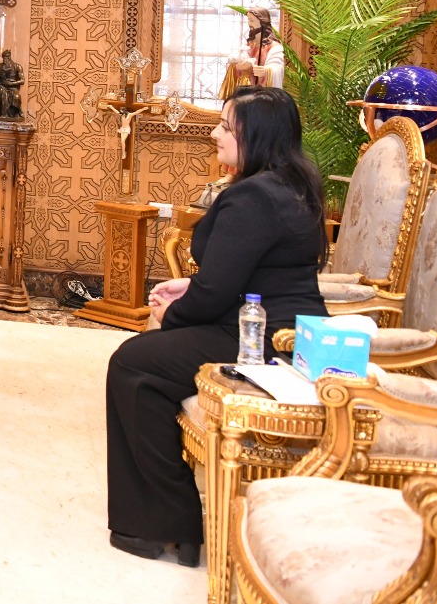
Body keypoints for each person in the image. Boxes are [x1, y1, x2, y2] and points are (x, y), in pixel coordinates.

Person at [104, 85, 327, 566]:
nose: (214, 133)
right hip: (265, 324)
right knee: (144, 362)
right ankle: (170, 519)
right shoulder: (286, 183)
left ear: (257, 137)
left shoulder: (254, 196)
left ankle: (165, 523)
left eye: (226, 126)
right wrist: (189, 292)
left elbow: (219, 292)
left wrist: (170, 316)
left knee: (133, 364)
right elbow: (250, 272)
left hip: (262, 341)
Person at [220, 6, 284, 99]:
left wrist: (266, 71)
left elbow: (277, 67)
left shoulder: (274, 47)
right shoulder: (248, 45)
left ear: (262, 22)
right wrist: (238, 67)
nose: (249, 24)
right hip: (246, 96)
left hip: (263, 98)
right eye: (248, 20)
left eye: (252, 20)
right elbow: (232, 63)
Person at [0, 49, 23, 118]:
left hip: (12, 87)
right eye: (3, 58)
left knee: (15, 97)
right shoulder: (0, 66)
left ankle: (14, 112)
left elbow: (22, 81)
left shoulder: (17, 66)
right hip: (1, 86)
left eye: (6, 58)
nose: (4, 60)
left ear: (9, 57)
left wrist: (11, 83)